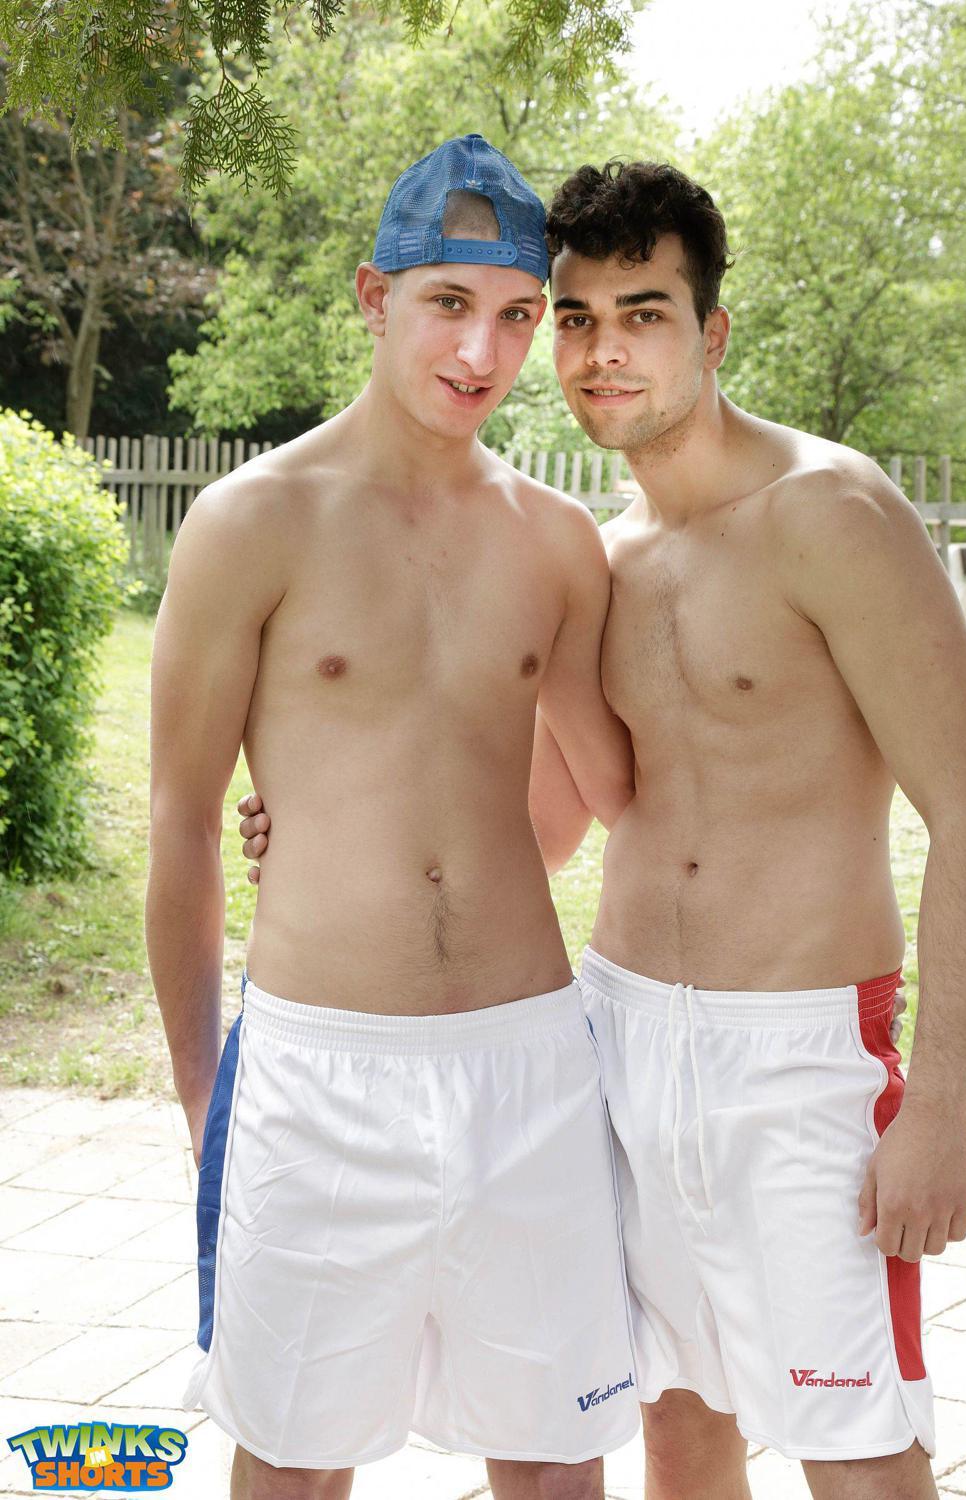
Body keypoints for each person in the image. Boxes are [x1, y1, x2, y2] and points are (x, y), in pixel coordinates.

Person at [239, 159, 966, 1500]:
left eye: (645, 314)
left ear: (713, 332)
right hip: (618, 1043)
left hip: (802, 1060)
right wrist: (330, 818)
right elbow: (549, 824)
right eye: (579, 318)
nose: (605, 351)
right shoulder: (601, 559)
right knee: (677, 1424)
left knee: (860, 1451)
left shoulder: (834, 513)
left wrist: (940, 1102)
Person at [145, 135, 641, 1500]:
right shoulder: (250, 523)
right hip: (317, 1074)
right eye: (448, 303)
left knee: (556, 1462)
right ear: (375, 297)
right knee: (295, 1466)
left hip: (527, 1067)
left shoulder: (559, 541)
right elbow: (182, 825)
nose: (482, 351)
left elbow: (583, 805)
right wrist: (204, 1097)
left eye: (519, 315)